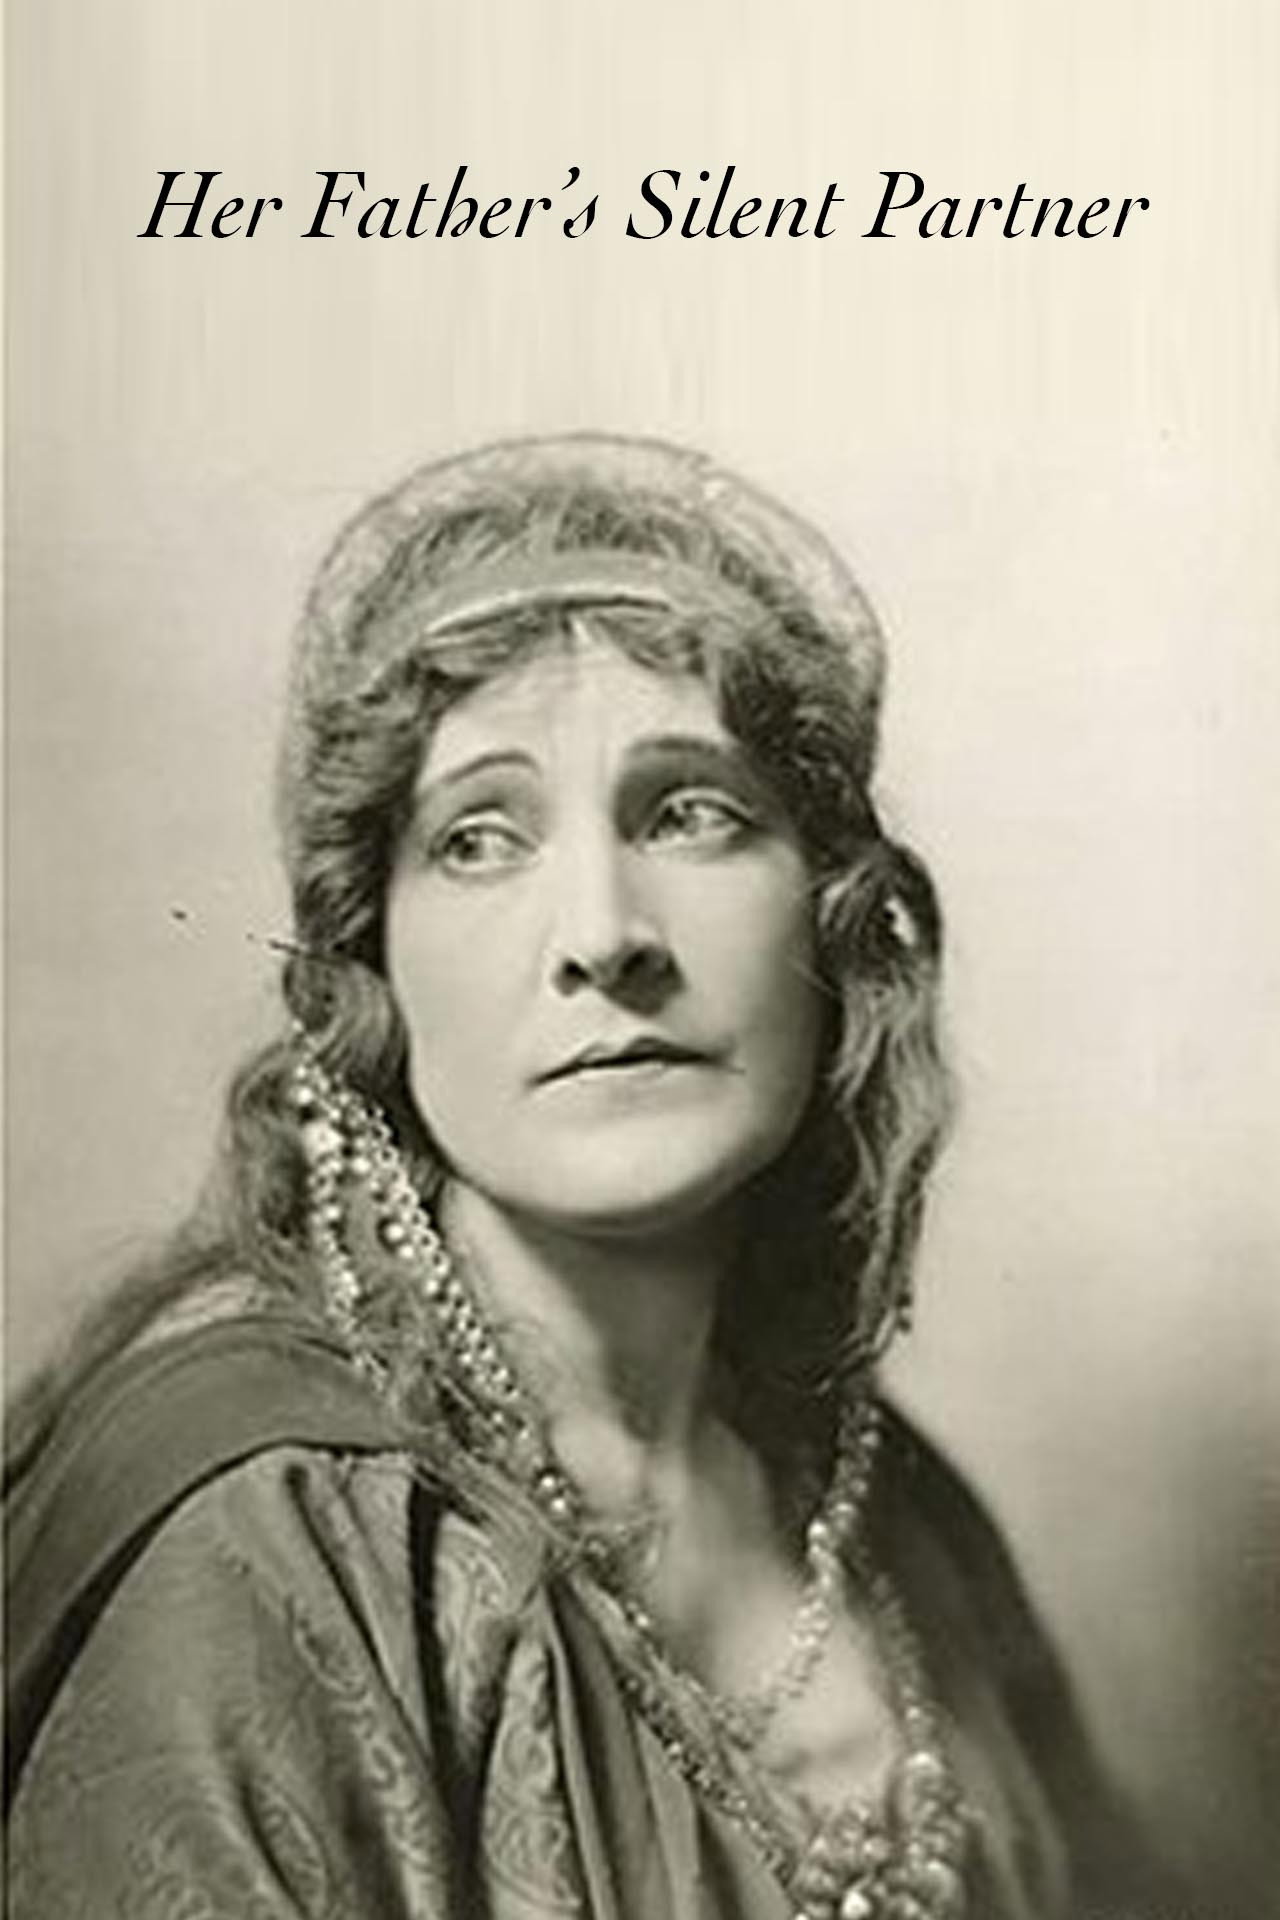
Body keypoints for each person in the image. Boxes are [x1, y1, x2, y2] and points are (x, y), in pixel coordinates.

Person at [5, 434, 1160, 1918]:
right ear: (370, 973)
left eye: (692, 813)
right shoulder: (273, 1537)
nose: (605, 935)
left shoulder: (902, 1527)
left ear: (835, 927)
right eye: (480, 839)